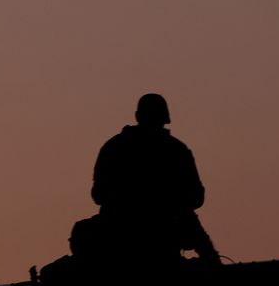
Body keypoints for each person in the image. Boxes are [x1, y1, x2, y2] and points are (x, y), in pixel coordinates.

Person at [80, 93, 220, 266]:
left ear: (138, 116)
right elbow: (195, 198)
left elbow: (98, 195)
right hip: (146, 244)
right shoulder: (175, 151)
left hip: (124, 245)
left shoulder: (114, 147)